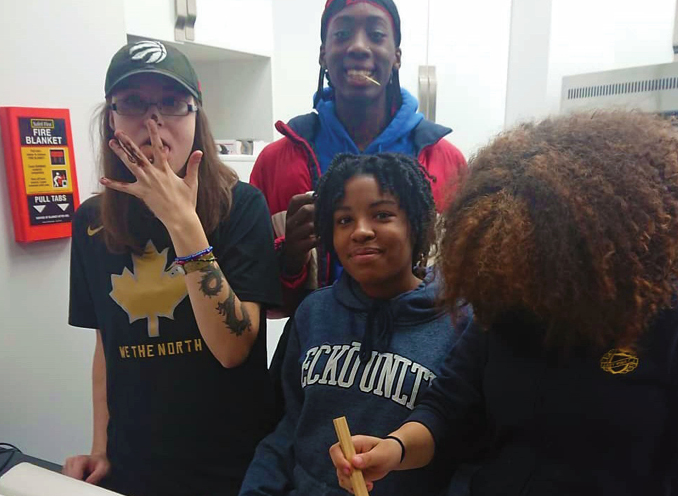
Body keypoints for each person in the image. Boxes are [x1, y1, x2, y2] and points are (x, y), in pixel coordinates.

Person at [330, 111, 678, 495]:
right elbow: (448, 409)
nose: (531, 290)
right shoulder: (508, 308)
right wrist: (394, 449)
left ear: (604, 245)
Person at [62, 40, 282, 496]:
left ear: (195, 116)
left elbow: (233, 347)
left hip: (232, 467)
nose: (152, 121)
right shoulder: (92, 222)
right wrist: (100, 446)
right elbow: (108, 344)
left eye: (171, 104)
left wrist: (182, 223)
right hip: (134, 465)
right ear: (112, 118)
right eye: (134, 104)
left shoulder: (240, 207)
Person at [240, 153, 469, 495]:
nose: (361, 231)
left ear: (417, 223)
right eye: (344, 220)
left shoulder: (460, 322)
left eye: (382, 215)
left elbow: (464, 446)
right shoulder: (313, 312)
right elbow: (288, 427)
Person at [250, 0, 467, 316]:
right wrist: (291, 259)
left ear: (397, 56)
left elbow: (464, 290)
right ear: (323, 54)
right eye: (342, 34)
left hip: (422, 358)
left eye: (377, 35)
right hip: (319, 355)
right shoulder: (277, 163)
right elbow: (264, 307)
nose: (358, 47)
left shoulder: (445, 162)